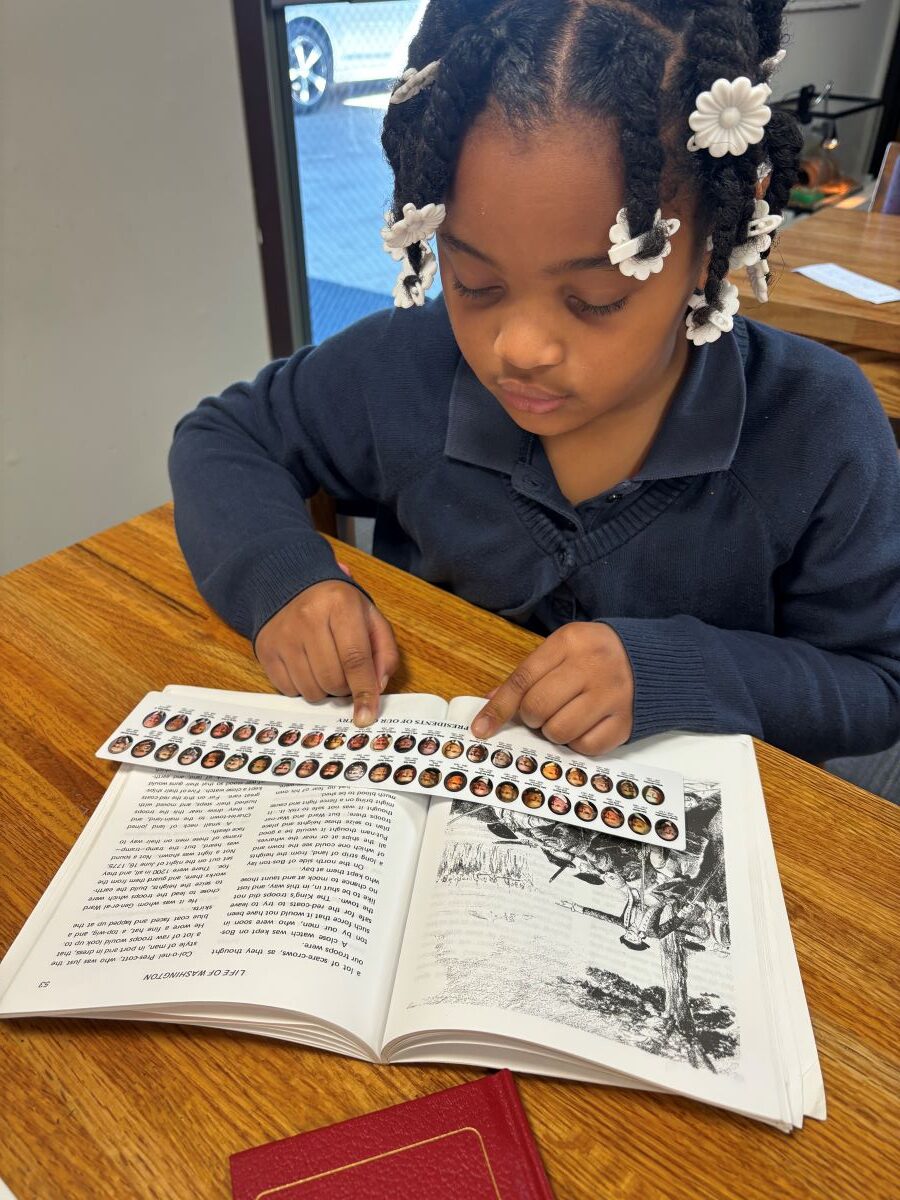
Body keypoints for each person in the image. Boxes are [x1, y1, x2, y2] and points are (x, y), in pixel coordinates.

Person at [169, 0, 900, 766]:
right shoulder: (405, 369)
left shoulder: (818, 427)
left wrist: (676, 673)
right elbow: (222, 437)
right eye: (475, 282)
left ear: (713, 248)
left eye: (595, 301)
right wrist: (283, 580)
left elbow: (877, 684)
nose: (518, 349)